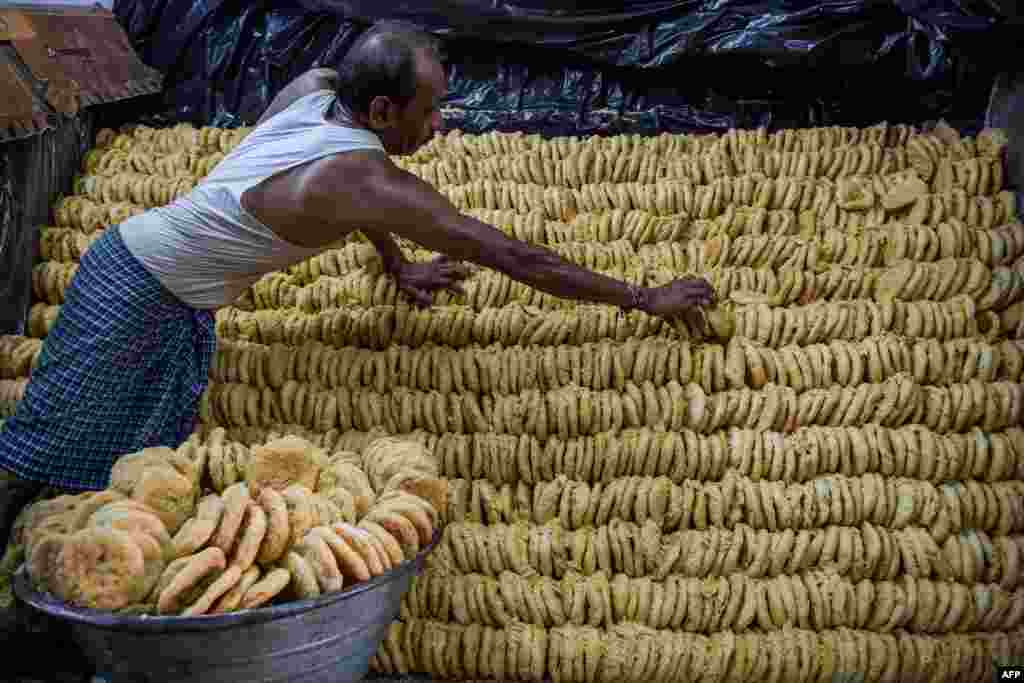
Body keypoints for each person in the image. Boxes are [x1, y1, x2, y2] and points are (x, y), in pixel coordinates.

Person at [0, 20, 714, 543]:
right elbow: (516, 257)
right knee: (43, 452)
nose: (440, 124)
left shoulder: (316, 89)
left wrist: (396, 260)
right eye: (429, 110)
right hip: (129, 289)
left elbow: (343, 193)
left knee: (127, 455)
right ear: (379, 111)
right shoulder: (368, 179)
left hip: (169, 286)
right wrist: (642, 297)